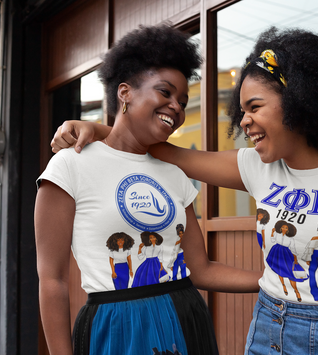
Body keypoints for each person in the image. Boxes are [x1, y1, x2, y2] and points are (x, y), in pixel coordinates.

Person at [51, 27, 318, 354]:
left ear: (300, 102)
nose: (243, 121)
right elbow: (154, 144)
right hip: (267, 326)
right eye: (242, 110)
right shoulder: (257, 167)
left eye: (255, 107)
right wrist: (96, 130)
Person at [36, 24, 261, 355]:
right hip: (115, 328)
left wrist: (273, 282)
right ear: (125, 93)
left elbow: (201, 269)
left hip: (184, 319)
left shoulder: (174, 173)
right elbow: (52, 280)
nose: (177, 108)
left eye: (183, 101)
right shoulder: (71, 164)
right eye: (165, 92)